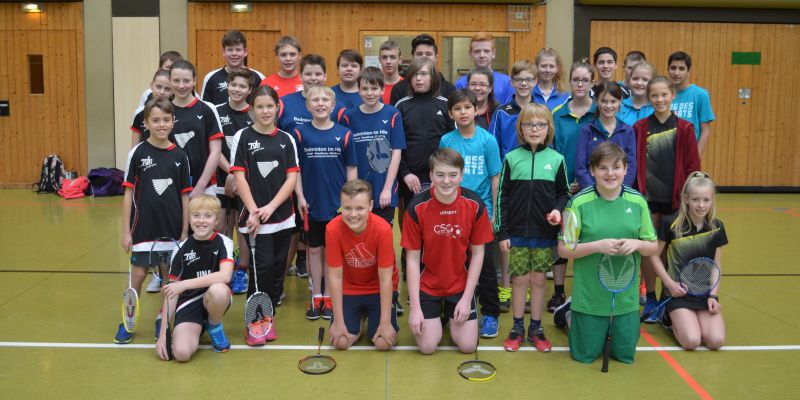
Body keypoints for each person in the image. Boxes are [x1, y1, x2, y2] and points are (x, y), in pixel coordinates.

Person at [557, 142, 658, 365]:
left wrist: (636, 244)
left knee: (624, 357)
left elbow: (652, 246)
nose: (610, 174)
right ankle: (567, 313)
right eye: (603, 168)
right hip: (589, 299)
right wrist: (596, 246)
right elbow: (563, 249)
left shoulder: (638, 202)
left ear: (625, 169)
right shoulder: (578, 203)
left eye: (616, 167)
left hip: (626, 301)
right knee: (584, 357)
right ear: (592, 171)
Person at [401, 149, 494, 354]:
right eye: (440, 175)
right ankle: (436, 317)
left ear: (461, 175)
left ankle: (453, 315)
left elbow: (478, 254)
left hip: (459, 286)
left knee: (468, 346)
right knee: (427, 347)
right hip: (428, 286)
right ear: (431, 175)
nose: (446, 181)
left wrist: (466, 297)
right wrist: (415, 308)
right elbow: (413, 260)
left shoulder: (474, 205)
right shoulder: (416, 207)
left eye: (453, 175)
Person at [114, 98, 191, 344]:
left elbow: (185, 196)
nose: (161, 125)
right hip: (143, 230)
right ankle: (129, 318)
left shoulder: (180, 155)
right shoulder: (137, 153)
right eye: (155, 120)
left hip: (171, 230)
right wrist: (126, 231)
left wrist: (185, 230)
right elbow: (128, 194)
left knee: (170, 278)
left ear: (173, 122)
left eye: (166, 120)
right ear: (145, 123)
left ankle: (163, 318)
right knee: (137, 275)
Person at [496, 104, 569, 352]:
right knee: (519, 280)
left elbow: (564, 193)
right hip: (516, 233)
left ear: (549, 128)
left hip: (544, 234)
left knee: (538, 280)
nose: (534, 129)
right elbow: (502, 198)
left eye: (540, 124)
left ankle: (536, 327)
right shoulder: (511, 158)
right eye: (529, 124)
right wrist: (502, 232)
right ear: (521, 128)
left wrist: (558, 210)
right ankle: (517, 326)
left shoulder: (557, 160)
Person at [230, 85, 300, 344]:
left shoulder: (286, 139)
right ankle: (253, 321)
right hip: (254, 219)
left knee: (277, 269)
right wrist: (254, 210)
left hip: (282, 217)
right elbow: (240, 177)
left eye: (269, 106)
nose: (265, 111)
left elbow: (291, 178)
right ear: (252, 110)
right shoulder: (243, 137)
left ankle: (268, 318)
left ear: (277, 107)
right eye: (259, 106)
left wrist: (271, 207)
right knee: (260, 270)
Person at [634, 75, 701, 321]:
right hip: (648, 200)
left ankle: (667, 297)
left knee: (670, 252)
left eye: (664, 94)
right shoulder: (640, 128)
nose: (660, 99)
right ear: (648, 98)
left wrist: (688, 201)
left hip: (674, 202)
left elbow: (693, 167)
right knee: (649, 250)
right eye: (655, 95)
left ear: (673, 95)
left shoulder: (685, 128)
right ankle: (651, 297)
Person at [439, 90, 502, 339]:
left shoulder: (488, 141)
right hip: (452, 211)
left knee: (485, 265)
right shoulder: (446, 140)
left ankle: (491, 313)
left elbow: (495, 176)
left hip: (480, 212)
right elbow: (440, 176)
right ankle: (450, 308)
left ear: (476, 110)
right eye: (458, 109)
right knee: (454, 263)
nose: (463, 112)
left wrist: (495, 212)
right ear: (450, 113)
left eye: (467, 107)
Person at [294, 85, 358, 321]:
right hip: (311, 203)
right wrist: (300, 197)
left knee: (333, 250)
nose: (320, 104)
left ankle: (330, 296)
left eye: (325, 100)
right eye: (315, 100)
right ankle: (317, 295)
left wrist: (349, 202)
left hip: (336, 205)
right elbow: (296, 170)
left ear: (333, 106)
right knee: (313, 249)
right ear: (308, 105)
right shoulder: (300, 134)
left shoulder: (345, 134)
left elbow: (352, 169)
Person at [649, 172, 726, 350]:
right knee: (692, 341)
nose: (701, 205)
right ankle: (665, 316)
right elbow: (653, 255)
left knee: (716, 341)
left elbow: (716, 265)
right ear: (686, 199)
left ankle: (694, 317)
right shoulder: (671, 223)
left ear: (712, 199)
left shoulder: (717, 226)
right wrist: (669, 284)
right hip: (678, 293)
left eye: (706, 200)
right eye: (696, 199)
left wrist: (713, 294)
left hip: (704, 293)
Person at [155, 195, 235, 361]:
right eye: (196, 215)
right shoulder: (181, 249)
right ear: (189, 219)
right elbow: (172, 293)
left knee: (219, 290)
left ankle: (214, 325)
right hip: (189, 303)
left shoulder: (224, 242)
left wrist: (184, 284)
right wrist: (163, 334)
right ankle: (197, 327)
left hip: (214, 298)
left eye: (208, 216)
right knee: (181, 354)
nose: (201, 221)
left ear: (217, 220)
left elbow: (225, 275)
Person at [326, 180, 400, 351]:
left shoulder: (382, 230)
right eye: (347, 208)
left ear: (371, 206)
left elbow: (385, 279)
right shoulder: (332, 229)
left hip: (377, 288)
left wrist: (385, 323)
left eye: (359, 208)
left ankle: (374, 316)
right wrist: (338, 322)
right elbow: (335, 277)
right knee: (340, 342)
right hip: (350, 288)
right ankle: (359, 317)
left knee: (383, 344)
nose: (353, 214)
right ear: (340, 206)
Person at [548, 60, 598, 313]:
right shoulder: (558, 113)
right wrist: (565, 184)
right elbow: (553, 152)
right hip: (565, 189)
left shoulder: (600, 112)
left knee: (587, 240)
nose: (580, 84)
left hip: (593, 189)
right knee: (563, 238)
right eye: (575, 80)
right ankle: (558, 292)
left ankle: (586, 290)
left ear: (592, 83)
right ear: (570, 82)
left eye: (585, 80)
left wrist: (590, 182)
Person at [342, 67, 405, 225]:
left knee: (382, 235)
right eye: (365, 89)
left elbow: (396, 153)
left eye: (374, 88)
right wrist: (353, 190)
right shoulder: (349, 117)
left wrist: (387, 188)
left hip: (383, 187)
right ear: (358, 90)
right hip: (358, 188)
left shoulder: (393, 114)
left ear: (383, 89)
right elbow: (348, 158)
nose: (370, 93)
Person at [395, 58, 453, 215]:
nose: (418, 79)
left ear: (433, 77)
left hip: (440, 177)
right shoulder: (401, 106)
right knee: (412, 221)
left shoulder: (445, 104)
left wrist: (441, 174)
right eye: (414, 75)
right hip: (410, 178)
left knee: (439, 222)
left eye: (423, 74)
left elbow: (452, 143)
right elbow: (395, 146)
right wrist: (405, 173)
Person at [214, 70, 255, 295]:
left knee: (243, 228)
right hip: (221, 177)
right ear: (227, 85)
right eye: (233, 85)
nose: (237, 89)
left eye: (242, 86)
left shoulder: (254, 114)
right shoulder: (216, 112)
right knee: (221, 225)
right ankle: (224, 267)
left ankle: (242, 270)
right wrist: (230, 172)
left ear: (249, 90)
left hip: (246, 181)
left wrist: (239, 177)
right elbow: (214, 148)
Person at [169, 60, 223, 198]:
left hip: (205, 186)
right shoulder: (163, 111)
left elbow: (216, 151)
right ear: (169, 81)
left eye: (186, 81)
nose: (181, 85)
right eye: (176, 80)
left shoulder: (207, 110)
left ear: (194, 81)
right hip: (171, 184)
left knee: (203, 220)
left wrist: (200, 186)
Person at [575, 81, 636, 190]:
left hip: (619, 194)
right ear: (597, 101)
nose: (608, 106)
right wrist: (593, 192)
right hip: (592, 194)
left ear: (620, 102)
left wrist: (620, 191)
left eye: (613, 101)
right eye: (604, 101)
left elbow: (630, 166)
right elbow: (580, 167)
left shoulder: (627, 131)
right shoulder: (587, 130)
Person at [278, 54, 347, 134]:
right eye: (308, 74)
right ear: (300, 76)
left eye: (318, 74)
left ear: (325, 76)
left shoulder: (337, 107)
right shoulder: (284, 103)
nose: (313, 78)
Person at [667, 51, 715, 155]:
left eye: (681, 68)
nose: (676, 73)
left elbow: (705, 130)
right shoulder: (663, 94)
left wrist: (696, 157)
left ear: (688, 71)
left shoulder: (700, 94)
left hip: (688, 154)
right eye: (673, 68)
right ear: (668, 70)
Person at [200, 30, 264, 106]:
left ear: (245, 52)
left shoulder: (258, 77)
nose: (234, 53)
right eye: (230, 50)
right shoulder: (211, 78)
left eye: (238, 50)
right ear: (223, 51)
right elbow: (205, 109)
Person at [389, 33, 456, 104]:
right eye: (419, 54)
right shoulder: (399, 89)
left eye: (428, 54)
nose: (424, 57)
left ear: (436, 58)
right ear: (413, 57)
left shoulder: (449, 89)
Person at [491, 60, 536, 159]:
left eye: (528, 79)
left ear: (535, 82)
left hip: (536, 170)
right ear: (512, 82)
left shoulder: (542, 112)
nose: (523, 83)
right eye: (519, 79)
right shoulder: (501, 112)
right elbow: (492, 146)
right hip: (508, 170)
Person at [454, 32, 514, 105]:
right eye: (477, 51)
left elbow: (509, 111)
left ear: (494, 53)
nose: (482, 55)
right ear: (470, 54)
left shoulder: (507, 82)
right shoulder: (461, 83)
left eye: (486, 51)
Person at [131, 69, 174, 148]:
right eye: (158, 87)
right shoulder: (140, 113)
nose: (162, 92)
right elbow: (134, 147)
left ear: (173, 91)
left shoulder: (176, 111)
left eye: (167, 89)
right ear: (151, 85)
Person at [618, 62, 655, 126]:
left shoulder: (657, 108)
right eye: (635, 79)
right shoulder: (619, 107)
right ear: (629, 80)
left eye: (645, 80)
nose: (639, 83)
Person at [378, 40, 403, 105]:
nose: (388, 61)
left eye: (392, 57)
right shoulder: (373, 87)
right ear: (379, 60)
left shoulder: (407, 85)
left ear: (400, 60)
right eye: (384, 57)